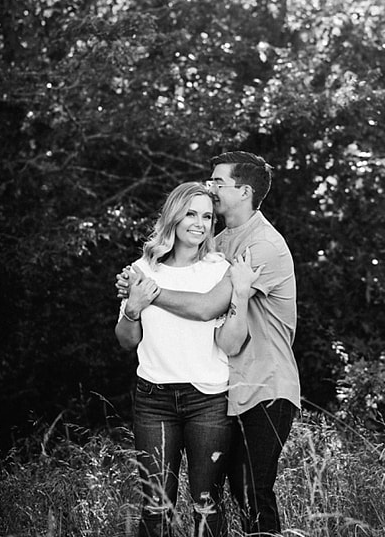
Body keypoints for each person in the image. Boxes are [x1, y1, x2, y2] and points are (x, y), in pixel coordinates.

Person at [118, 152, 300, 536]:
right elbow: (182, 273)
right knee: (226, 492)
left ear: (244, 191)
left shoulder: (263, 245)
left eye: (219, 183)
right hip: (228, 385)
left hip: (264, 384)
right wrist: (135, 289)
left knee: (252, 493)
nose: (211, 188)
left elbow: (204, 308)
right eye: (193, 213)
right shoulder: (218, 243)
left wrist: (146, 291)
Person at [115, 181, 252, 537]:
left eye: (207, 216)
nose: (200, 223)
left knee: (207, 505)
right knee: (156, 506)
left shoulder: (219, 269)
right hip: (153, 400)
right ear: (173, 217)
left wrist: (149, 292)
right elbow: (127, 341)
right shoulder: (142, 268)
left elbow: (216, 325)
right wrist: (132, 308)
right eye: (191, 213)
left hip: (208, 399)